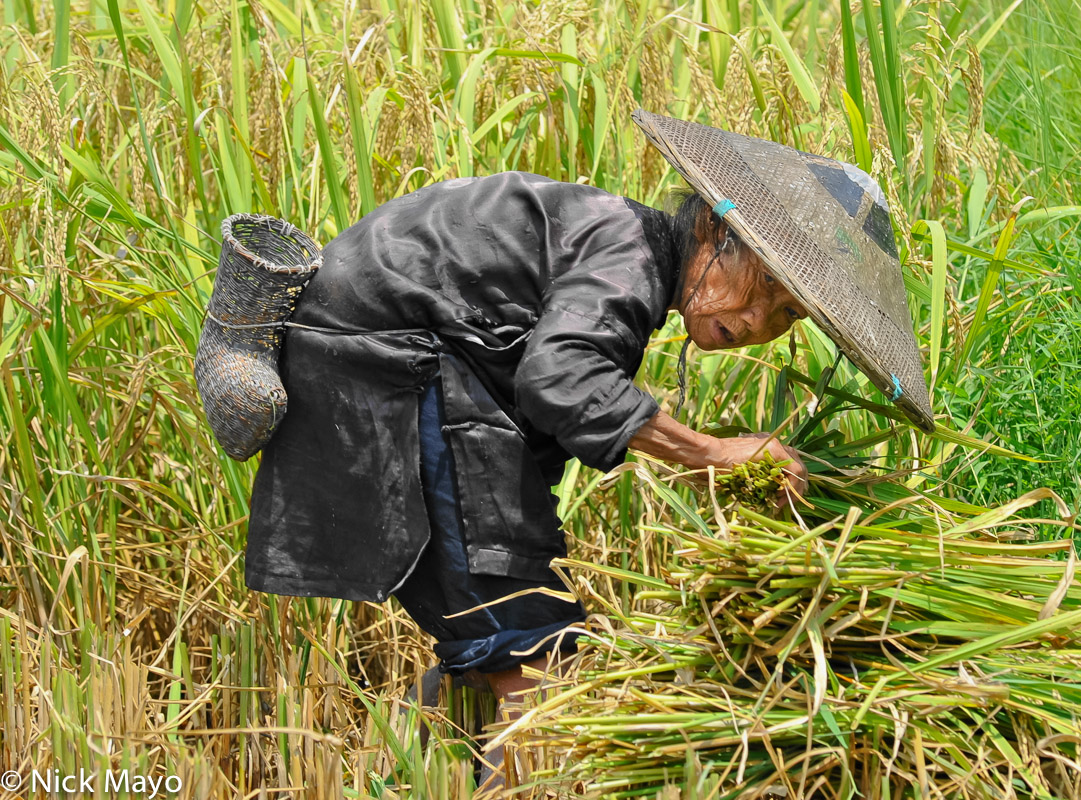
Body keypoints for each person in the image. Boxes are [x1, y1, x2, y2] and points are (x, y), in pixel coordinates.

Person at [237, 110, 933, 796]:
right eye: (765, 289)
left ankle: (411, 781)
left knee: (496, 634)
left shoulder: (616, 249)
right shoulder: (624, 252)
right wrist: (712, 453)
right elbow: (559, 379)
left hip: (391, 373)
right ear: (715, 232)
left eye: (787, 316)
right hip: (384, 373)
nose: (758, 323)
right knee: (541, 653)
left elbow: (537, 396)